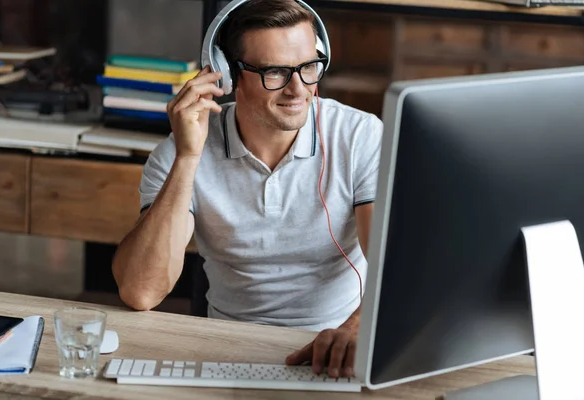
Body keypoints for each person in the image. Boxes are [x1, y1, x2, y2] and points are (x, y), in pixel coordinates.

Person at [111, 0, 383, 379]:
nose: (297, 89)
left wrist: (356, 330)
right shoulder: (181, 151)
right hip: (226, 347)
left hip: (334, 344)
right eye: (275, 72)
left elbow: (393, 263)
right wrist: (188, 158)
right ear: (227, 76)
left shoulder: (360, 136)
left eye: (308, 67)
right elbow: (141, 291)